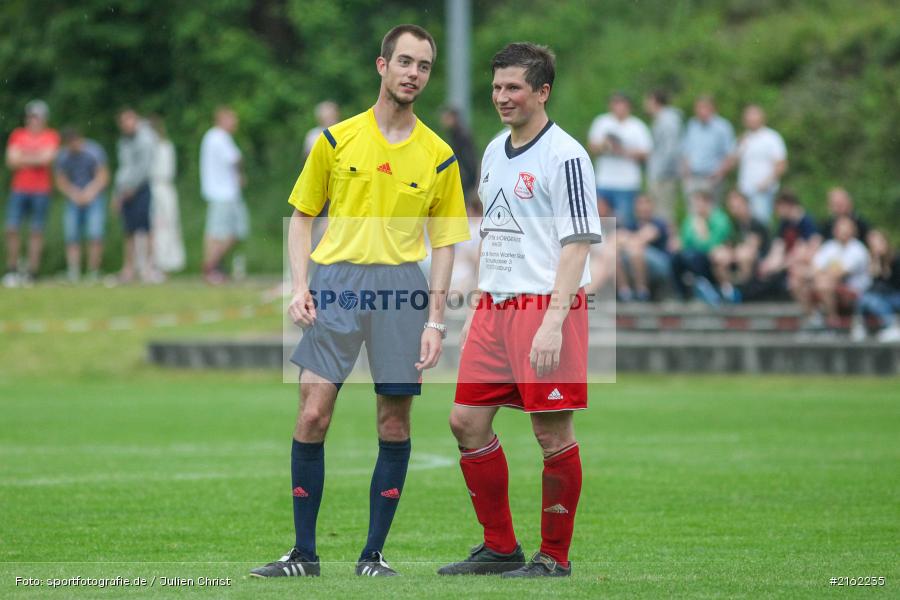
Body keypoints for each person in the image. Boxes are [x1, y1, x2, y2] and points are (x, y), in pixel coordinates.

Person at [251, 25, 470, 579]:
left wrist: (437, 321)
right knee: (312, 413)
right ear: (381, 66)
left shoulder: (440, 156)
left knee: (394, 425)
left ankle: (372, 555)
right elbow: (302, 218)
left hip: (402, 291)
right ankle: (303, 554)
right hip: (336, 284)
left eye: (423, 65)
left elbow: (444, 245)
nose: (413, 73)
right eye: (404, 61)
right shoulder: (335, 140)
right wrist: (301, 285)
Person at [439, 42, 602, 579]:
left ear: (542, 92)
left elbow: (578, 243)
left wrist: (554, 320)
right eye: (496, 87)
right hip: (494, 309)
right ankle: (500, 548)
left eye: (513, 88)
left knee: (551, 434)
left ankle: (554, 557)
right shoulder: (489, 150)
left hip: (545, 308)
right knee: (465, 420)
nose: (501, 97)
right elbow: (495, 231)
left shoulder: (567, 155)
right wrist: (479, 300)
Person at [4, 100, 60, 287]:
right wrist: (36, 157)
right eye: (31, 116)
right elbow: (11, 161)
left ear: (44, 119)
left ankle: (32, 272)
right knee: (12, 228)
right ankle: (12, 269)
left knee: (36, 231)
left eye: (37, 117)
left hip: (41, 190)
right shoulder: (17, 135)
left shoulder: (51, 135)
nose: (33, 120)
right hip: (19, 188)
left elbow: (48, 158)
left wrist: (24, 157)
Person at [587, 92, 652, 229]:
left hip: (627, 183)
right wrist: (606, 146)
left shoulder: (637, 126)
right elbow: (591, 146)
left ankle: (621, 248)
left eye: (622, 104)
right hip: (604, 180)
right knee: (599, 220)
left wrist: (623, 151)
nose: (619, 107)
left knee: (624, 222)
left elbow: (646, 152)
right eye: (616, 104)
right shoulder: (602, 122)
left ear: (628, 106)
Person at [793, 216, 870, 330]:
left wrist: (816, 275)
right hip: (827, 283)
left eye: (845, 228)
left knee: (823, 284)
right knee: (796, 280)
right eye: (840, 228)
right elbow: (815, 267)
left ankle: (832, 320)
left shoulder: (858, 249)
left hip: (854, 289)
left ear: (853, 230)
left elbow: (839, 273)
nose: (842, 231)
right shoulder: (829, 246)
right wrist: (805, 274)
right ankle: (812, 317)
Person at [200, 107, 248, 284]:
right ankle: (209, 268)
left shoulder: (218, 137)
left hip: (228, 193)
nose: (235, 123)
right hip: (222, 193)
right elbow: (236, 159)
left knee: (235, 231)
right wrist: (241, 175)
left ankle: (213, 265)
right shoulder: (217, 137)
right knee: (216, 233)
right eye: (232, 119)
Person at [54, 128, 110, 283]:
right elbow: (60, 180)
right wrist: (73, 193)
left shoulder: (94, 151)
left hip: (94, 197)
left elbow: (103, 175)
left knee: (95, 234)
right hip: (74, 198)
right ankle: (74, 272)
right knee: (72, 235)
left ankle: (93, 272)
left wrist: (90, 191)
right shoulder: (63, 156)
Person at [749, 190, 821, 302]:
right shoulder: (784, 223)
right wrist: (768, 264)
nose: (777, 212)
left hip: (799, 264)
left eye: (779, 208)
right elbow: (778, 247)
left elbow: (808, 250)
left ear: (787, 205)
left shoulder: (807, 222)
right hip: (786, 263)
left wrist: (780, 265)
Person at [113, 108, 158, 283]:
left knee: (146, 229)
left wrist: (133, 187)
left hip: (142, 189)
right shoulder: (123, 142)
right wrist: (118, 193)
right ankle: (129, 269)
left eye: (129, 120)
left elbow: (144, 167)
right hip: (125, 190)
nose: (126, 124)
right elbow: (123, 169)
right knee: (129, 231)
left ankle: (148, 268)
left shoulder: (145, 139)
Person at [725, 104, 787, 224]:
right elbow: (732, 164)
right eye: (748, 117)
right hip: (744, 191)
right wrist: (739, 147)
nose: (751, 120)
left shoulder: (771, 137)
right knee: (746, 224)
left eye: (754, 116)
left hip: (762, 190)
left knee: (761, 223)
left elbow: (781, 164)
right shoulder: (743, 138)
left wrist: (766, 183)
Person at [670, 190, 732, 303]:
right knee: (676, 258)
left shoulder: (720, 219)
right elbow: (684, 242)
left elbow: (712, 245)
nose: (697, 207)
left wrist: (702, 232)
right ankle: (681, 294)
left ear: (708, 203)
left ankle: (708, 289)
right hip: (690, 255)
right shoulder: (690, 220)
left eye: (699, 203)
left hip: (710, 258)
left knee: (693, 257)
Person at [710, 190, 770, 302]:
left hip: (758, 263)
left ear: (746, 204)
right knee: (718, 255)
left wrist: (733, 253)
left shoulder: (756, 224)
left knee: (744, 255)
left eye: (737, 206)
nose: (735, 210)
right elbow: (728, 244)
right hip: (736, 257)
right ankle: (727, 291)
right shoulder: (734, 225)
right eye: (733, 207)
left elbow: (752, 248)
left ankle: (742, 291)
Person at [679, 95, 734, 206]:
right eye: (699, 108)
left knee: (712, 211)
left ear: (713, 109)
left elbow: (730, 155)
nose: (702, 111)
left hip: (712, 178)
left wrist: (719, 174)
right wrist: (686, 175)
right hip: (693, 177)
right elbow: (685, 152)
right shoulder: (692, 125)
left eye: (705, 108)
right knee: (693, 214)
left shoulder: (722, 127)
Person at [616, 194, 672, 302]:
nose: (643, 207)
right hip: (634, 260)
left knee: (636, 250)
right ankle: (624, 292)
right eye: (640, 204)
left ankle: (642, 292)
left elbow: (645, 238)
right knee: (615, 253)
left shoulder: (659, 223)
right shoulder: (631, 224)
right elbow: (617, 239)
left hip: (661, 264)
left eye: (646, 203)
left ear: (652, 206)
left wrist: (627, 240)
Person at [148, 116, 185, 274]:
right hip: (157, 188)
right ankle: (155, 264)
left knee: (165, 226)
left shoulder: (164, 146)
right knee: (158, 227)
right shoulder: (160, 146)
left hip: (161, 189)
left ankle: (164, 264)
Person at [852, 230, 900, 342]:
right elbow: (873, 282)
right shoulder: (872, 260)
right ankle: (861, 326)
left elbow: (890, 282)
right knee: (865, 299)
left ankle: (891, 325)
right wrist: (877, 261)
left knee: (872, 300)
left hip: (895, 294)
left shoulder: (896, 258)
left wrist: (884, 264)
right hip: (880, 296)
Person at [643, 90, 682, 223]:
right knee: (657, 213)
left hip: (664, 176)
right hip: (660, 173)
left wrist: (660, 172)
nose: (645, 104)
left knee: (664, 213)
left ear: (654, 101)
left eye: (648, 101)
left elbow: (670, 150)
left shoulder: (667, 121)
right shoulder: (661, 120)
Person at [440, 106, 479, 202]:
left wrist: (472, 185)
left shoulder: (461, 136)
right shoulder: (454, 134)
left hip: (465, 181)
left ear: (454, 118)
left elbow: (469, 161)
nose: (443, 121)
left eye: (447, 118)